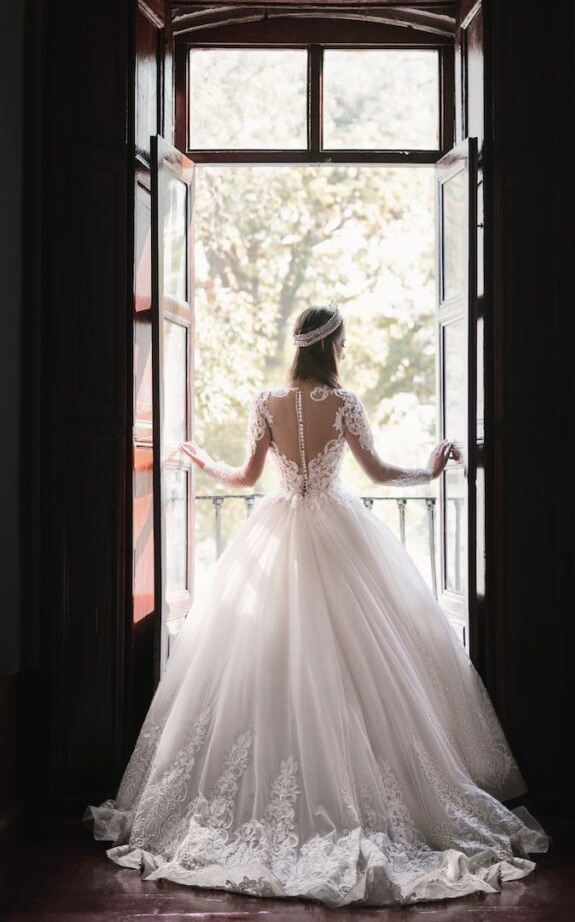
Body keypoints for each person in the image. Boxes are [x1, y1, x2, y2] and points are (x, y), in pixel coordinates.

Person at [84, 303, 548, 907]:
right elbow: (379, 474)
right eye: (345, 341)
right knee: (363, 667)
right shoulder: (345, 403)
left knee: (265, 662)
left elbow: (247, 477)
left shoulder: (266, 402)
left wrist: (203, 462)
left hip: (277, 532)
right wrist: (429, 471)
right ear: (332, 346)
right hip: (339, 533)